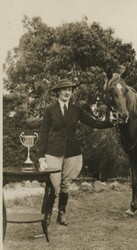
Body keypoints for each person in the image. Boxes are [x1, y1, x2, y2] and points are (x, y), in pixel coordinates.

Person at [38, 78, 115, 226]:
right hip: (53, 151)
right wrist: (41, 156)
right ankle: (47, 215)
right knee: (53, 186)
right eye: (65, 89)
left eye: (70, 90)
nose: (68, 92)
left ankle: (61, 213)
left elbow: (93, 122)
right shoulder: (50, 110)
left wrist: (111, 122)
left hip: (72, 151)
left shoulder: (76, 109)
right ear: (58, 92)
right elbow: (44, 134)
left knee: (65, 184)